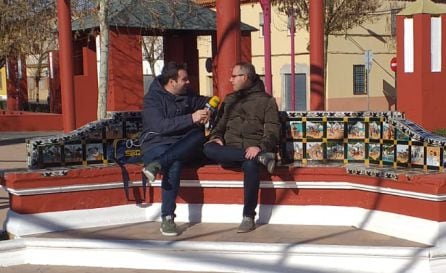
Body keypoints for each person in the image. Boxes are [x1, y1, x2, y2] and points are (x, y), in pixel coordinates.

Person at [203, 62, 280, 233]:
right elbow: (219, 127)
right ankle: (259, 157)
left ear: (244, 77)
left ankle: (248, 216)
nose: (230, 80)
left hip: (253, 152)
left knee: (251, 164)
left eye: (234, 76)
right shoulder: (230, 100)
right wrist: (216, 137)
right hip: (229, 152)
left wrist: (260, 147)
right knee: (208, 148)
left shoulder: (267, 101)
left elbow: (273, 131)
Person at [140, 62, 210, 236]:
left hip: (182, 143)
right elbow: (160, 126)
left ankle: (156, 165)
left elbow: (206, 101)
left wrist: (209, 110)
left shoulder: (187, 95)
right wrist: (191, 118)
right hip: (157, 143)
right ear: (171, 82)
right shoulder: (152, 99)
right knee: (175, 163)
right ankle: (168, 217)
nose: (188, 82)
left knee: (199, 136)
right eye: (184, 79)